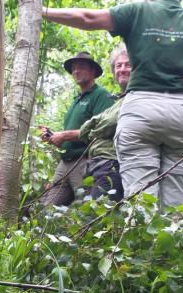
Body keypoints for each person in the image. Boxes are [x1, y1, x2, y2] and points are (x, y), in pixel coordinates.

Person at [43, 3, 183, 209]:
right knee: (176, 206)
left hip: (142, 108)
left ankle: (141, 230)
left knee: (140, 201)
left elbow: (87, 18)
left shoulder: (136, 11)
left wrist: (43, 12)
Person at [39, 52, 114, 206]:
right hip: (64, 163)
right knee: (48, 208)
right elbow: (68, 136)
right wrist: (53, 136)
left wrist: (64, 136)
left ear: (93, 71)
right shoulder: (76, 100)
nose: (76, 72)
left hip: (84, 161)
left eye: (81, 67)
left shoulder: (101, 95)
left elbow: (101, 130)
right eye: (73, 69)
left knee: (86, 208)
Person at [78, 44, 131, 202]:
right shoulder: (117, 100)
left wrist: (92, 130)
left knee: (101, 217)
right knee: (91, 213)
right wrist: (93, 124)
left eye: (128, 65)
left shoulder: (137, 94)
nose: (122, 69)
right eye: (118, 65)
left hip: (112, 163)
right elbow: (98, 123)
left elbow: (109, 123)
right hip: (97, 165)